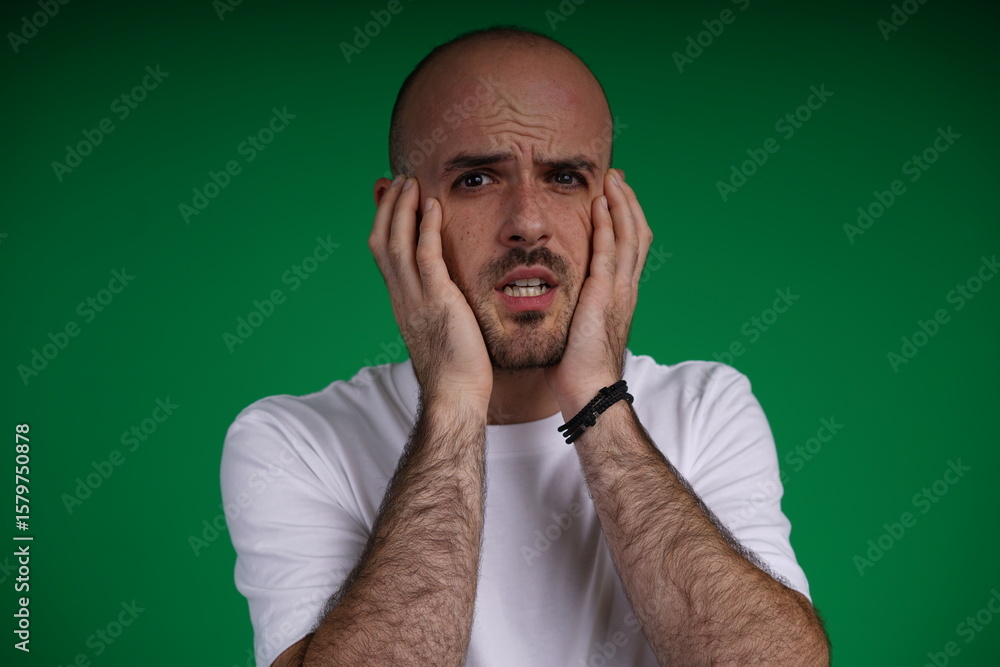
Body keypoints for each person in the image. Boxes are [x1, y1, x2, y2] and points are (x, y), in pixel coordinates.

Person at [221, 25, 831, 666]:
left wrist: (596, 398)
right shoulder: (294, 442)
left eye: (565, 177)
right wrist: (455, 399)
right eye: (477, 180)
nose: (529, 224)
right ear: (398, 215)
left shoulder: (707, 407)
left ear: (612, 206)